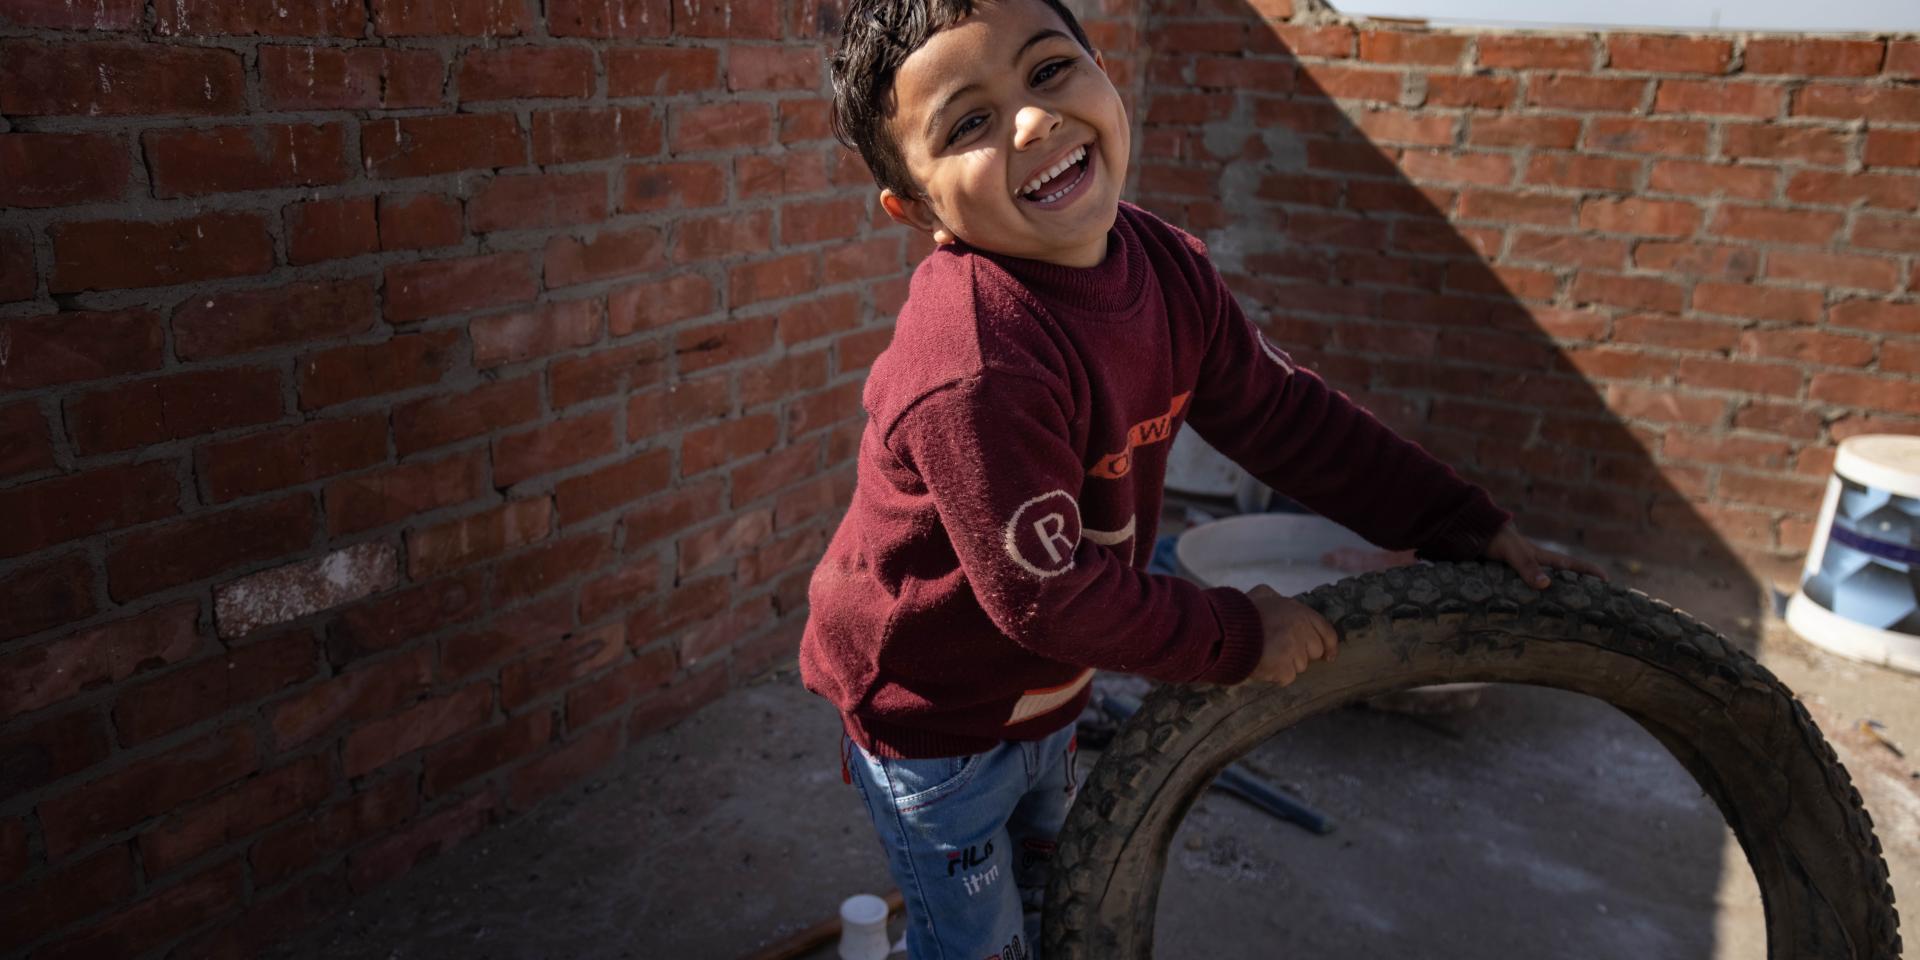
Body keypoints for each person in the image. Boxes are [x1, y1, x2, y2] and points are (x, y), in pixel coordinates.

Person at [799, 1, 1604, 956]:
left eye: (1049, 71)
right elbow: (1049, 600)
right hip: (935, 714)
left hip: (1049, 689)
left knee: (1058, 884)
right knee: (974, 938)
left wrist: (1454, 520)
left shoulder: (1167, 269)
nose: (1031, 121)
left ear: (1102, 70)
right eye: (969, 122)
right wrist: (1235, 633)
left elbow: (1285, 415)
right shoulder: (976, 364)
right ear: (921, 209)